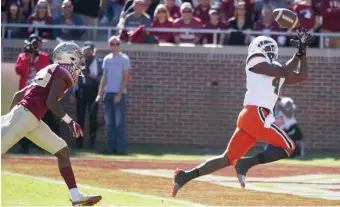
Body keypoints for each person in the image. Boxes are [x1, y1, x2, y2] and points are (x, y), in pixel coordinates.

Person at [171, 29, 315, 197]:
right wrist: (299, 52)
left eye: (269, 48)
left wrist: (303, 52)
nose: (267, 50)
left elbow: (301, 75)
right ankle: (245, 164)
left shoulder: (276, 67)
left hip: (252, 117)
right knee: (289, 146)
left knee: (227, 158)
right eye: (266, 48)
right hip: (256, 114)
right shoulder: (255, 59)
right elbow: (283, 71)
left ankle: (185, 176)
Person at [1, 41, 102, 206]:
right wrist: (70, 122)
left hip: (30, 118)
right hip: (26, 115)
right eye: (76, 57)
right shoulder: (62, 72)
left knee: (62, 150)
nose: (79, 62)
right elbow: (50, 102)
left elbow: (19, 94)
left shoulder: (48, 70)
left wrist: (10, 116)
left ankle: (75, 196)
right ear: (68, 57)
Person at [96, 36, 131, 154]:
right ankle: (110, 148)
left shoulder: (124, 59)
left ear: (120, 45)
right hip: (108, 94)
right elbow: (104, 77)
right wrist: (100, 93)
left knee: (118, 123)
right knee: (109, 123)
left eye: (117, 44)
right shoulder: (107, 59)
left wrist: (119, 94)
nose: (115, 46)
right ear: (109, 45)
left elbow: (126, 78)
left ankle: (121, 149)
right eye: (112, 44)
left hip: (118, 94)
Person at [70, 41, 103, 149]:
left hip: (93, 90)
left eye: (89, 50)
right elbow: (74, 79)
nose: (87, 52)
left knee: (93, 117)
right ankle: (79, 142)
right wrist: (73, 93)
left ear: (93, 50)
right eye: (85, 50)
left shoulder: (98, 62)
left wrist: (89, 74)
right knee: (80, 118)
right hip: (81, 91)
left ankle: (92, 142)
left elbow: (100, 80)